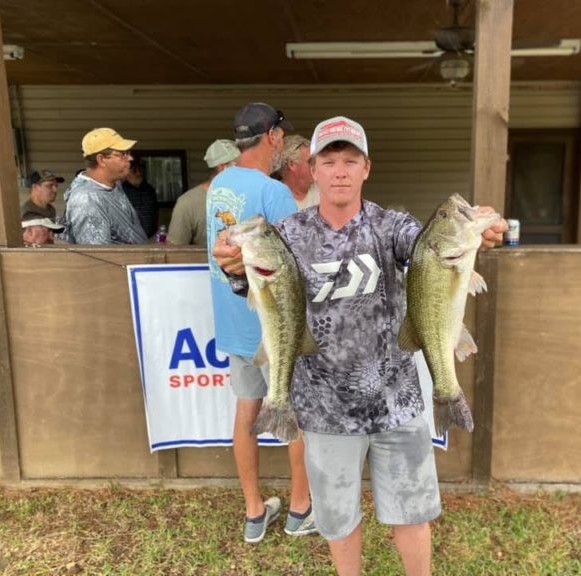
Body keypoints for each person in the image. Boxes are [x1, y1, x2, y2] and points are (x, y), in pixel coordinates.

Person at [214, 116, 507, 575]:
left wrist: (483, 230)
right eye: (329, 161)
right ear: (311, 169)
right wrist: (234, 266)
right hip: (324, 409)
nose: (340, 171)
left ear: (367, 168)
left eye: (350, 160)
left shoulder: (393, 226)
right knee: (337, 520)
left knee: (412, 515)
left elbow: (431, 249)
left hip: (399, 402)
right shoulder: (287, 234)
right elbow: (256, 284)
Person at [206, 103, 315, 543]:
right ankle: (300, 508)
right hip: (273, 327)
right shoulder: (272, 191)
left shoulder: (220, 184)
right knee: (295, 415)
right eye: (280, 135)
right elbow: (299, 259)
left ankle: (254, 513)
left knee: (246, 411)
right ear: (272, 136)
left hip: (234, 322)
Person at [61, 128, 148, 245]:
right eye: (123, 154)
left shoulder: (113, 184)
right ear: (101, 160)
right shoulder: (86, 200)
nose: (130, 158)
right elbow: (99, 256)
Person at [167, 139, 240, 246]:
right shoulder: (187, 203)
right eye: (239, 165)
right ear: (222, 167)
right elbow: (175, 251)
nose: (246, 170)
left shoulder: (248, 196)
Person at [274, 135, 319, 209]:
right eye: (311, 161)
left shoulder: (323, 190)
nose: (317, 165)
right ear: (292, 164)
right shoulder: (274, 198)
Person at [122, 159, 158, 238]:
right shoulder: (121, 191)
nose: (138, 173)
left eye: (140, 170)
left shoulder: (149, 190)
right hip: (129, 238)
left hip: (150, 237)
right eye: (134, 171)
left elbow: (155, 212)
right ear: (127, 173)